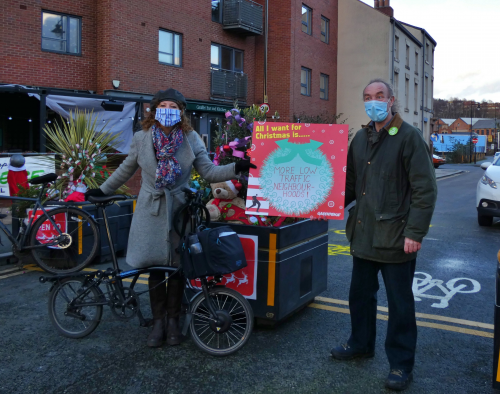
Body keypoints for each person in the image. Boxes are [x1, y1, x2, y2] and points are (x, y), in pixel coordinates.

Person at [85, 88, 255, 348]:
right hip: (149, 209)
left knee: (177, 268)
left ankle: (174, 322)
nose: (168, 110)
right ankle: (158, 322)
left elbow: (208, 171)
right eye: (163, 105)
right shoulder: (142, 138)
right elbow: (126, 168)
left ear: (181, 112)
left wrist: (236, 166)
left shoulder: (191, 138)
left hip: (179, 210)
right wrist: (103, 190)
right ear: (154, 110)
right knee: (154, 268)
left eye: (173, 106)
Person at [330, 79, 437, 391]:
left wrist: (415, 232)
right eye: (367, 97)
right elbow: (348, 184)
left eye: (379, 96)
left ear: (391, 100)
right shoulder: (361, 139)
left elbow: (425, 190)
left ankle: (401, 365)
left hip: (397, 239)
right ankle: (360, 344)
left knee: (400, 305)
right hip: (363, 235)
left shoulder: (409, 137)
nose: (372, 102)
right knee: (359, 297)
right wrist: (319, 202)